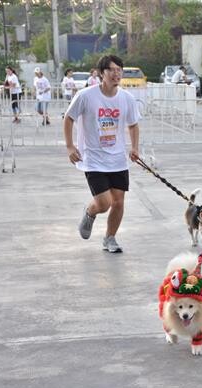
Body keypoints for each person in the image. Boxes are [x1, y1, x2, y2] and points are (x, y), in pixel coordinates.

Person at [64, 54, 141, 253]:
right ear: (101, 73)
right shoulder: (86, 96)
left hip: (117, 159)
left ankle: (110, 238)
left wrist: (135, 148)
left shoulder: (127, 98)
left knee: (118, 202)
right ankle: (90, 211)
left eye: (119, 70)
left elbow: (133, 125)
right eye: (112, 70)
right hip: (93, 159)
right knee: (104, 203)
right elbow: (68, 118)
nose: (116, 74)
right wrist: (70, 147)